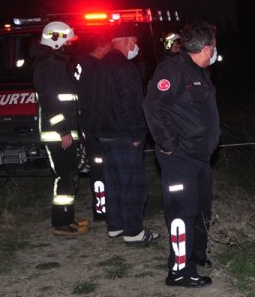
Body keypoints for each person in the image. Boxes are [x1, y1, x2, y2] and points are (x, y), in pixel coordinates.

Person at [143, 20, 220, 288]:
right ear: (207, 48)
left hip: (199, 157)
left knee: (200, 209)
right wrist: (168, 144)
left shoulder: (199, 72)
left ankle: (196, 254)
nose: (215, 51)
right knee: (181, 212)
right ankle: (179, 271)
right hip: (179, 157)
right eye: (214, 46)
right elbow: (153, 107)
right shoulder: (173, 70)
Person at [91, 23, 160, 245]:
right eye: (135, 42)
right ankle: (133, 232)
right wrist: (137, 133)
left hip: (105, 133)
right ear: (126, 40)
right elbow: (130, 104)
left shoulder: (99, 65)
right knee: (133, 184)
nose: (136, 47)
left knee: (113, 182)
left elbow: (93, 100)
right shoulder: (125, 67)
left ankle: (115, 225)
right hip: (124, 134)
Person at [32, 21, 89, 236]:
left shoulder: (58, 65)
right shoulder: (47, 66)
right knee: (64, 178)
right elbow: (50, 103)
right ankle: (61, 224)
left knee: (70, 177)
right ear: (56, 40)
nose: (70, 45)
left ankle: (68, 219)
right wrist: (63, 130)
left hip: (65, 133)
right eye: (68, 40)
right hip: (57, 134)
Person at [73, 35, 113, 222]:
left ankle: (102, 207)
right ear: (102, 47)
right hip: (95, 127)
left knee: (97, 168)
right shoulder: (94, 67)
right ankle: (102, 209)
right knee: (99, 169)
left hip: (87, 126)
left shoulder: (81, 65)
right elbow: (98, 99)